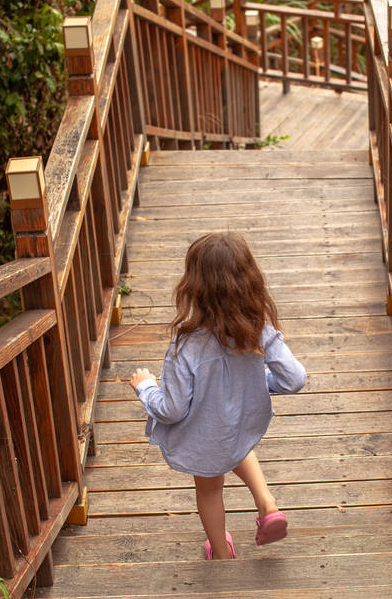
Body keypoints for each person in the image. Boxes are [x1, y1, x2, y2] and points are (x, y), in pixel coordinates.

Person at [130, 232, 306, 560]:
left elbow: (172, 409)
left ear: (193, 286)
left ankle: (223, 554)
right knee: (236, 446)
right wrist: (259, 384)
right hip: (239, 424)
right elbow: (295, 378)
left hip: (206, 435)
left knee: (210, 490)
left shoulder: (185, 346)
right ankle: (268, 506)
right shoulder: (258, 329)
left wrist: (146, 387)